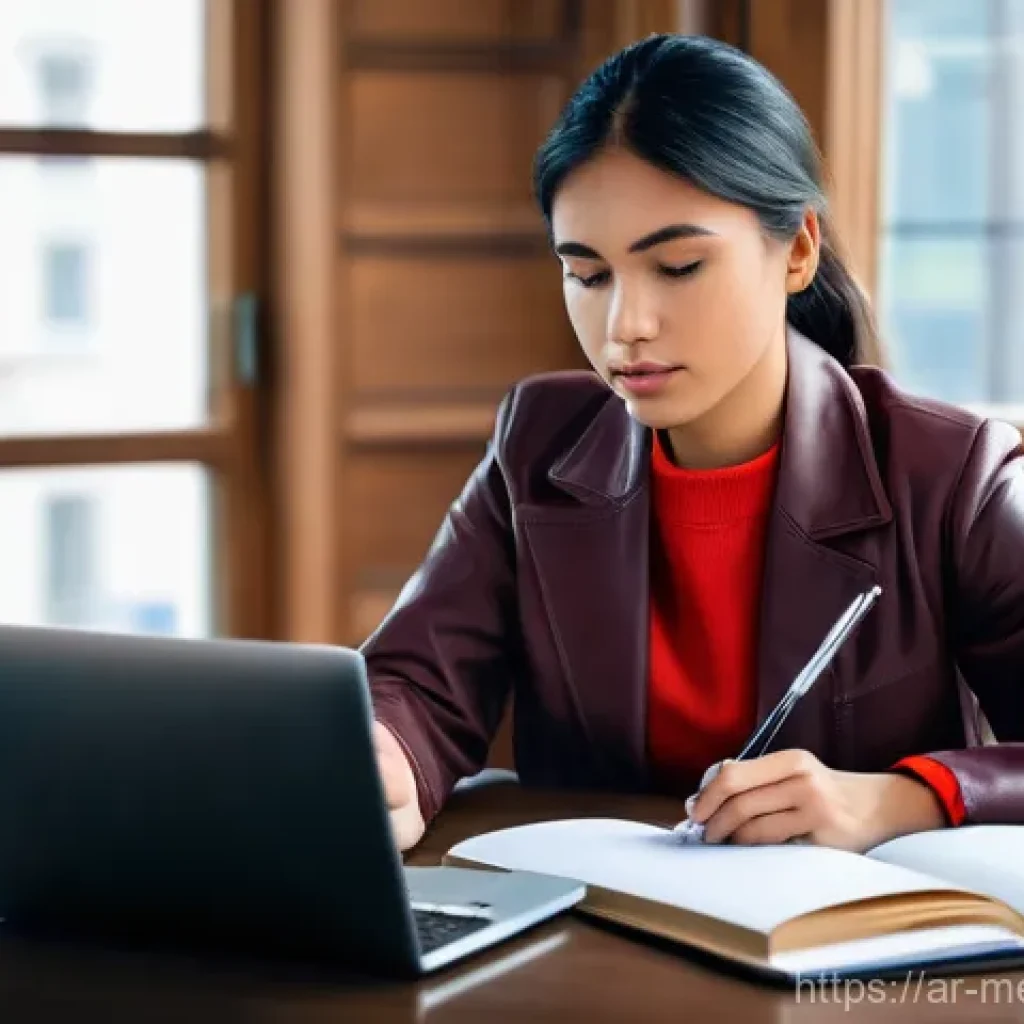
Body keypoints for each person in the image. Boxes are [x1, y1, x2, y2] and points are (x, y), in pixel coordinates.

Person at [364, 34, 1024, 855]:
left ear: (797, 250)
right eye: (589, 275)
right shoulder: (537, 444)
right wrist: (386, 757)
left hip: (846, 932)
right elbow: (419, 683)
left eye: (677, 267)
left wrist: (900, 799)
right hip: (595, 920)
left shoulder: (950, 474)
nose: (625, 326)